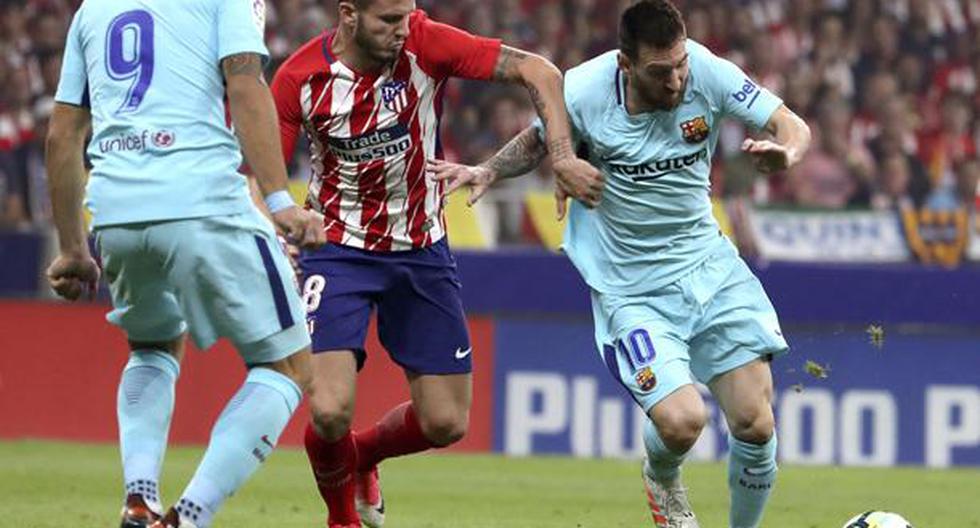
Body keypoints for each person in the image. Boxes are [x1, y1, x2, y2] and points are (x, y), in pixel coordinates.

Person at [429, 1, 811, 527]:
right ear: (625, 65)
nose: (676, 79)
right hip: (631, 290)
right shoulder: (585, 91)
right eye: (661, 71)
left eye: (679, 64)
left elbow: (790, 123)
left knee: (755, 422)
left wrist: (787, 152)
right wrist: (490, 170)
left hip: (709, 266)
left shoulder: (708, 72)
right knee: (682, 422)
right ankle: (661, 474)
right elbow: (540, 141)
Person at [269, 0, 601, 526]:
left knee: (446, 423)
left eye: (408, 16)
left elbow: (539, 69)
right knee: (329, 409)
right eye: (388, 21)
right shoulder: (299, 78)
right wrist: (279, 221)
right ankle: (342, 519)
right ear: (348, 14)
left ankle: (363, 458)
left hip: (421, 249)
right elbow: (258, 176)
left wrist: (561, 156)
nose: (403, 31)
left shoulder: (425, 44)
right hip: (334, 250)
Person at [44, 1, 324, 527]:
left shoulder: (92, 11)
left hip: (116, 211)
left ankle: (138, 499)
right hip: (202, 198)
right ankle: (187, 518)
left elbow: (63, 135)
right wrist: (280, 201)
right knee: (288, 367)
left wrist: (72, 249)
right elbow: (244, 83)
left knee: (152, 346)